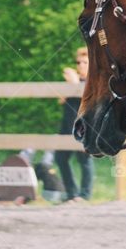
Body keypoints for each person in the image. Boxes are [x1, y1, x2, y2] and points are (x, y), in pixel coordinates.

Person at [56, 47, 94, 202]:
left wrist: (77, 84)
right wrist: (72, 85)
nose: (81, 65)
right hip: (66, 125)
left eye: (85, 62)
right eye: (78, 62)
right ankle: (71, 193)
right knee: (60, 158)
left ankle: (84, 195)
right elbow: (60, 100)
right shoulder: (72, 81)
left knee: (84, 160)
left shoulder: (93, 81)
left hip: (83, 126)